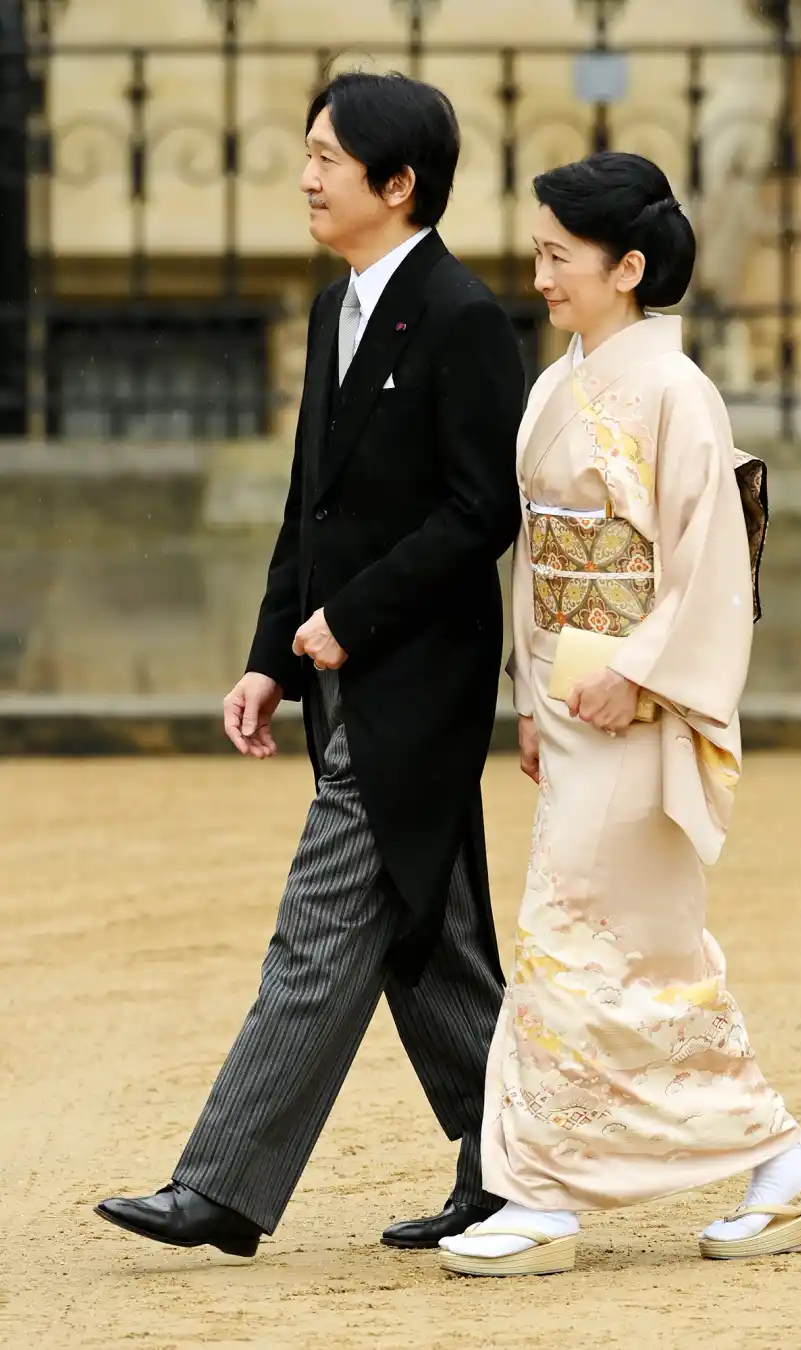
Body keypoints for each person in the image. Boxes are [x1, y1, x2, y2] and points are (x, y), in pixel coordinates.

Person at [95, 71, 525, 1258]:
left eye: (330, 157)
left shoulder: (464, 317)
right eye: (307, 151)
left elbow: (482, 509)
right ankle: (519, 1163)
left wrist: (352, 619)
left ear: (399, 184)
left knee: (319, 922)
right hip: (342, 676)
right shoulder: (339, 303)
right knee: (423, 941)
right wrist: (269, 660)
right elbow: (311, 508)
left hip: (417, 685)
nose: (307, 175)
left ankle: (222, 1186)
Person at [438, 152, 801, 1278]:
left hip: (639, 704)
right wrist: (533, 690)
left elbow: (715, 561)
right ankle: (779, 1156)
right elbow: (540, 556)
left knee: (570, 933)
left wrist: (647, 672)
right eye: (540, 253)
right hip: (572, 696)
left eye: (559, 256)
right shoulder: (557, 381)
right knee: (641, 952)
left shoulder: (676, 392)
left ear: (630, 265)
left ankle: (541, 1196)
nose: (541, 275)